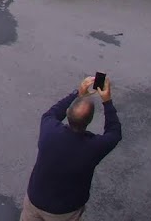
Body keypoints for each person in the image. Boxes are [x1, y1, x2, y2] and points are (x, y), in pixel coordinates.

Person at [22, 75, 122, 221]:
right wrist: (107, 101)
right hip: (65, 210)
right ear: (89, 121)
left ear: (68, 114)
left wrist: (77, 94)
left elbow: (52, 113)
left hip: (35, 200)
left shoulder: (49, 130)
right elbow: (114, 133)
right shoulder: (94, 147)